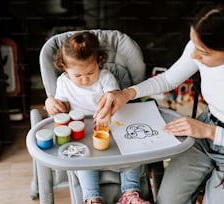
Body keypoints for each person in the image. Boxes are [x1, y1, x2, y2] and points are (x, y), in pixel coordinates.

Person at [94, 3, 224, 204]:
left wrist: (210, 132)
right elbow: (168, 79)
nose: (194, 56)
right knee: (167, 201)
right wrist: (128, 93)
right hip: (205, 132)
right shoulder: (199, 46)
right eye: (194, 44)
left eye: (203, 52)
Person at [47, 32, 150, 204]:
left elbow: (114, 98)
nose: (85, 79)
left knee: (134, 155)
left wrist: (110, 104)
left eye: (91, 71)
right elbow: (62, 108)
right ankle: (92, 198)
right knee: (83, 162)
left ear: (98, 62)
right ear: (64, 68)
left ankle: (130, 194)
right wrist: (52, 102)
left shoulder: (105, 77)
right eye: (78, 75)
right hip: (83, 135)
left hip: (112, 129)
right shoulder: (63, 83)